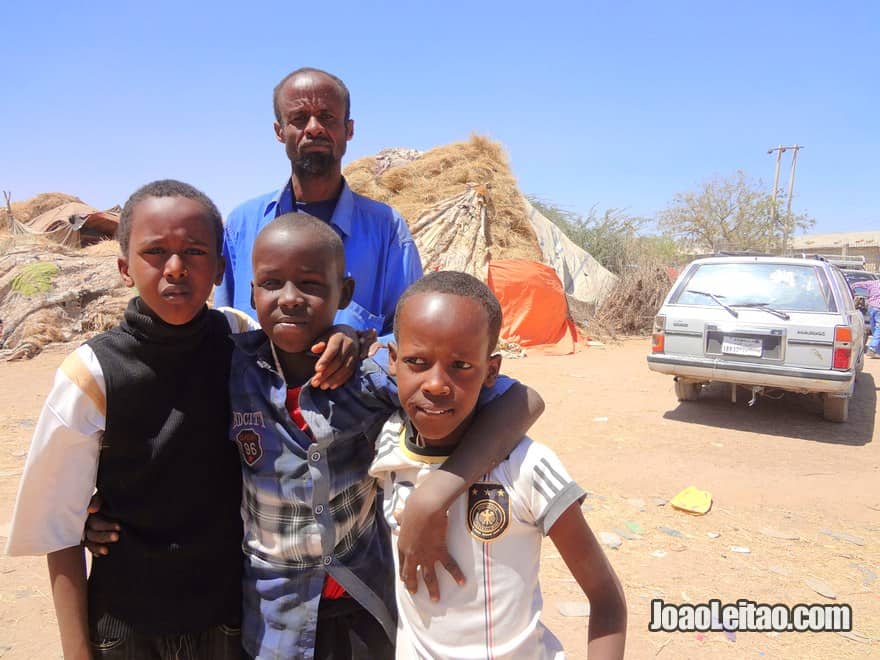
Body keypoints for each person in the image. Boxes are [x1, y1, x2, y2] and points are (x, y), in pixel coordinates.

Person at [232, 214, 543, 658]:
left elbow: (522, 399)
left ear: (346, 292)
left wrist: (436, 494)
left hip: (363, 602)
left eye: (311, 284)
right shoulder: (235, 371)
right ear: (251, 291)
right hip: (272, 614)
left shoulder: (370, 374)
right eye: (271, 283)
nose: (290, 299)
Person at [5, 180, 256, 659]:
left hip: (228, 619)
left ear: (221, 265)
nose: (176, 268)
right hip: (127, 626)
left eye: (196, 251)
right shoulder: (91, 373)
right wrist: (77, 652)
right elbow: (58, 527)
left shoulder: (241, 338)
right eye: (155, 252)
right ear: (124, 268)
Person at [370, 271, 628, 659]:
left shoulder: (526, 467)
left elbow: (606, 599)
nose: (437, 384)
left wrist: (432, 497)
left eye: (460, 366)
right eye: (417, 361)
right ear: (394, 361)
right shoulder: (386, 444)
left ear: (491, 371)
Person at [215, 67, 421, 341]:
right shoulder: (242, 226)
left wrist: (362, 348)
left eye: (327, 117)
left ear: (349, 129)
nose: (314, 128)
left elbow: (411, 335)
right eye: (299, 118)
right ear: (279, 131)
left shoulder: (387, 230)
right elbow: (226, 326)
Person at [851, 278, 880, 356]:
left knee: (874, 328)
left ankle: (876, 349)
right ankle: (873, 348)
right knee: (878, 328)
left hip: (871, 307)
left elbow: (855, 284)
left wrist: (852, 290)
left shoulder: (873, 283)